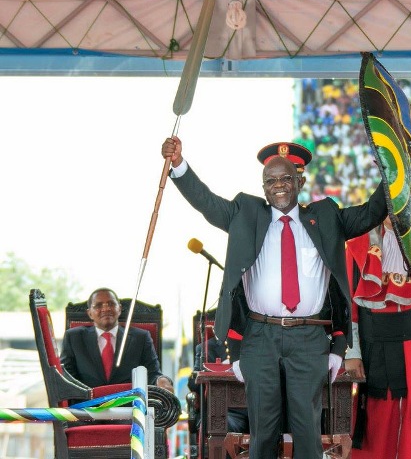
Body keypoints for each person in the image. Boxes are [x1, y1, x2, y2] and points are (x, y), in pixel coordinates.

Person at [161, 136, 387, 459]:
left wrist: (390, 172)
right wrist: (179, 166)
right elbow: (206, 202)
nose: (278, 186)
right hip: (259, 336)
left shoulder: (326, 216)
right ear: (263, 187)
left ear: (299, 181)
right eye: (271, 181)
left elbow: (371, 212)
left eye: (285, 179)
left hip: (309, 337)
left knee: (308, 433)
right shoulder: (245, 213)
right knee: (262, 434)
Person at [344, 217, 411, 459]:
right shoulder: (357, 247)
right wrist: (351, 353)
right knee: (375, 422)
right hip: (372, 350)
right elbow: (348, 306)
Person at [61, 287, 174, 392]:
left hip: (129, 407)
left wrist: (162, 381)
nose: (106, 309)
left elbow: (153, 374)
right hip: (86, 407)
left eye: (111, 304)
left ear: (119, 309)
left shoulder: (141, 338)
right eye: (98, 305)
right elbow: (65, 376)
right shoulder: (74, 337)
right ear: (89, 313)